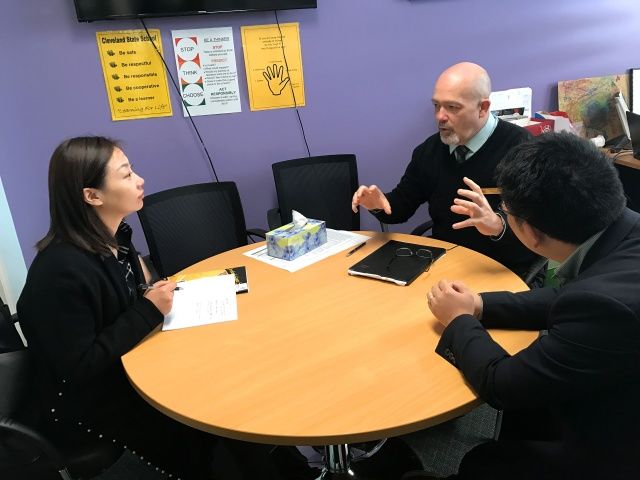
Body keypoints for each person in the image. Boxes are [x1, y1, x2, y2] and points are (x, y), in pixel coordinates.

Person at [16, 137, 288, 479]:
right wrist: (147, 310)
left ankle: (277, 464)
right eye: (127, 175)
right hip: (89, 407)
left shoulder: (114, 239)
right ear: (93, 196)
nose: (140, 180)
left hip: (130, 369)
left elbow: (124, 301)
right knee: (219, 407)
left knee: (234, 386)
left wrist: (150, 295)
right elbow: (78, 366)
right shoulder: (60, 271)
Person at [412, 132, 640, 479]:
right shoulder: (627, 233)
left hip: (617, 449)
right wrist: (479, 305)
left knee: (482, 462)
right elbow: (569, 299)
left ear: (530, 232)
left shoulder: (605, 308)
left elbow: (501, 384)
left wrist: (458, 320)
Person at [352, 62, 544, 286]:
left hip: (502, 268)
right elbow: (400, 208)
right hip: (445, 265)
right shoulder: (430, 151)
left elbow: (541, 236)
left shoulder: (523, 152)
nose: (440, 117)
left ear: (483, 108)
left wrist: (497, 226)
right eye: (436, 106)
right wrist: (379, 203)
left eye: (452, 108)